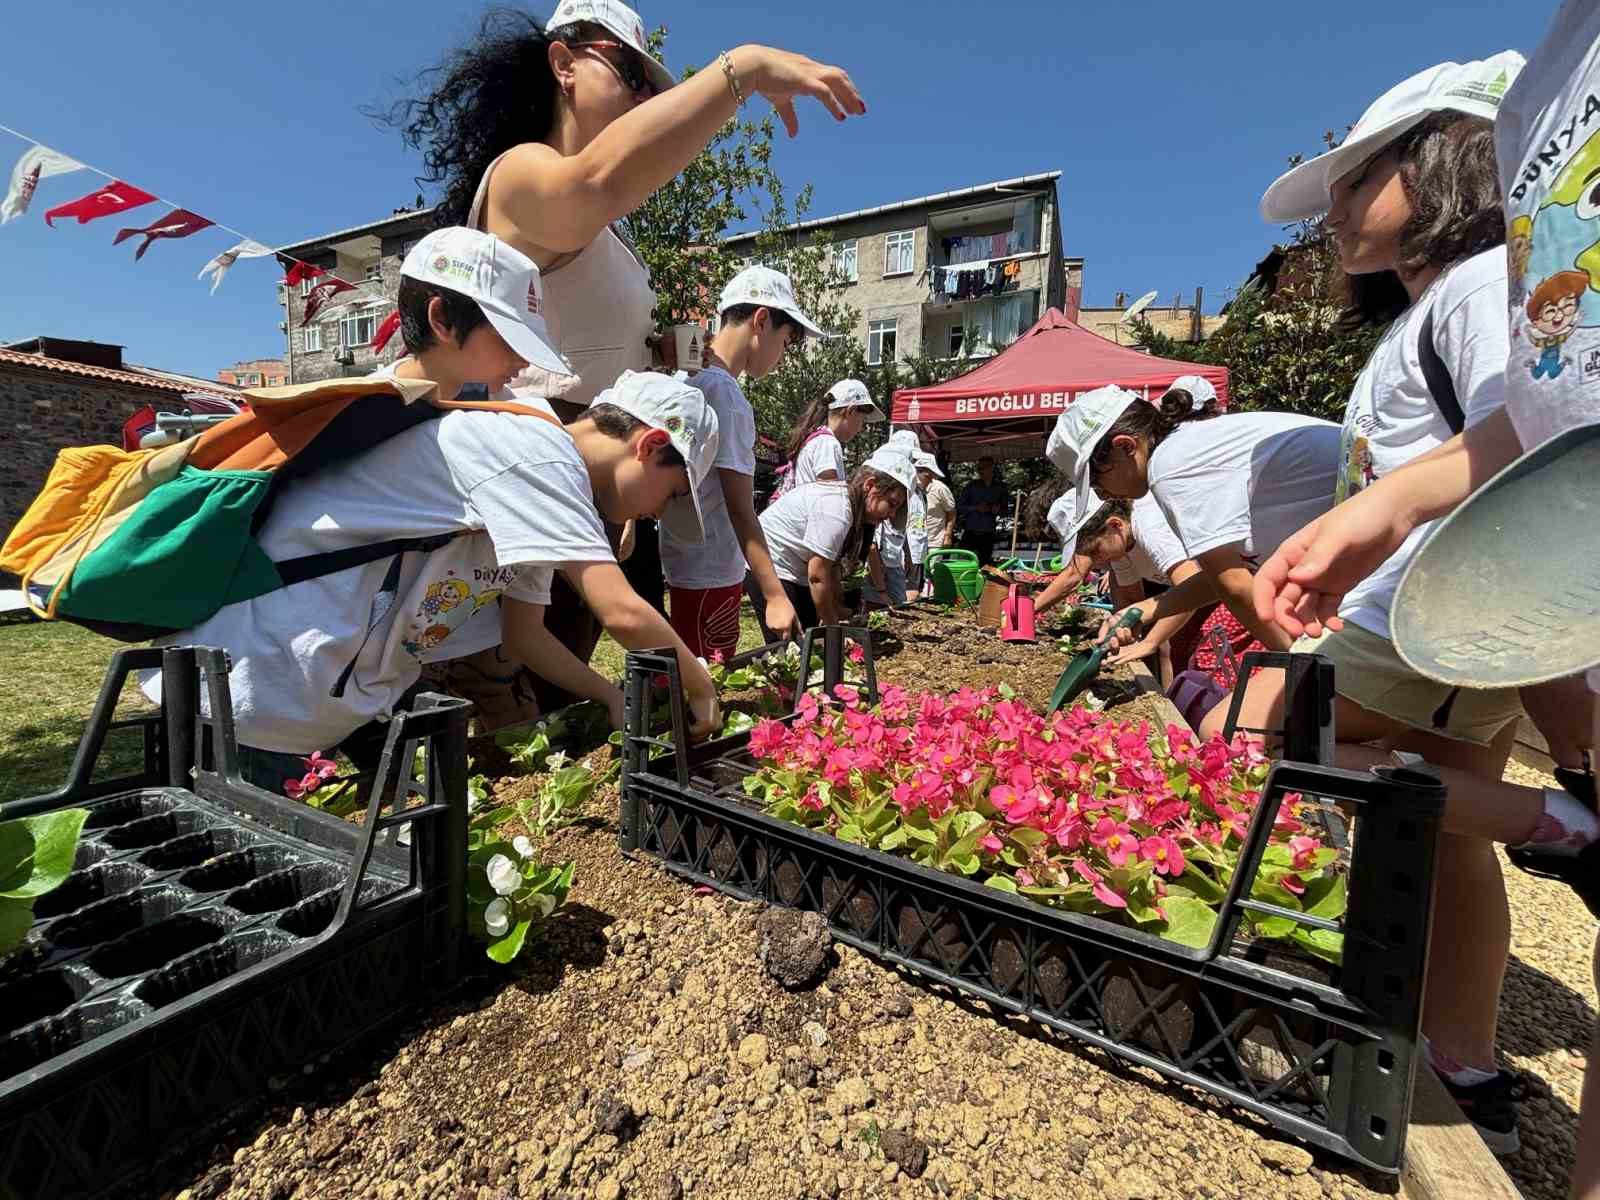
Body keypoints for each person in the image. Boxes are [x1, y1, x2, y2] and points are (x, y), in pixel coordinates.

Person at [1254, 10, 1600, 1188]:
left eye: (1362, 170)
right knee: (1440, 837)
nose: (1337, 201)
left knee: (1266, 739)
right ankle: (1464, 1062)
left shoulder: (1465, 293)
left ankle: (1558, 827)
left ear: (1447, 156)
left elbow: (1542, 444)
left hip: (1433, 616)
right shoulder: (1436, 307)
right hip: (1442, 615)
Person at [386, 0, 864, 718]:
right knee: (497, 691)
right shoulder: (523, 171)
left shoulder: (612, 228)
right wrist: (746, 68)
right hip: (530, 463)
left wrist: (652, 362)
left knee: (553, 682)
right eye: (631, 74)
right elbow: (597, 184)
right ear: (564, 65)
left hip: (590, 463)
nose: (643, 96)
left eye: (652, 86)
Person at [145, 227, 721, 787]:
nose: (519, 367)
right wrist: (699, 684)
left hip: (318, 691)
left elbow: (525, 636)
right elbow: (621, 611)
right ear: (648, 446)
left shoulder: (535, 478)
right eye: (509, 343)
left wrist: (609, 695)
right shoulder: (529, 449)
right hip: (250, 693)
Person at [658, 266, 822, 659]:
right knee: (705, 683)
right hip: (712, 571)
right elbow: (740, 508)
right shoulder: (727, 397)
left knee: (686, 677)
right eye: (785, 341)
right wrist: (775, 595)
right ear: (761, 320)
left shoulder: (688, 379)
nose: (782, 357)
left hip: (685, 563)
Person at [747, 447, 915, 641]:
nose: (892, 515)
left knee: (810, 637)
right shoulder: (837, 509)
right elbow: (818, 576)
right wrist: (833, 628)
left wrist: (833, 609)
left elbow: (831, 568)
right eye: (892, 504)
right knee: (793, 645)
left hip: (795, 568)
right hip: (773, 565)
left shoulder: (852, 509)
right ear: (870, 485)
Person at [771, 377, 883, 500]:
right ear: (850, 411)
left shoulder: (816, 438)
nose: (861, 428)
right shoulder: (827, 443)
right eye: (863, 420)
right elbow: (829, 500)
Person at [904, 450, 943, 600]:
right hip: (908, 549)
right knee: (910, 590)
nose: (930, 480)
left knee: (916, 587)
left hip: (919, 547)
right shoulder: (907, 492)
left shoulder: (922, 495)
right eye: (928, 476)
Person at [956, 455, 1008, 563]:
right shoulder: (971, 486)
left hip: (988, 532)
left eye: (983, 468)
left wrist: (997, 509)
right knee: (964, 560)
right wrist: (975, 508)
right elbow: (959, 507)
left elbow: (1005, 510)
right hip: (971, 531)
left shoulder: (1000, 488)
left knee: (985, 563)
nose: (980, 471)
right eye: (979, 468)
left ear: (991, 468)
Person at [923, 458, 956, 552]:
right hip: (915, 542)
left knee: (933, 566)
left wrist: (948, 536)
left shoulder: (940, 489)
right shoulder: (913, 488)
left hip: (935, 542)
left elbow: (952, 513)